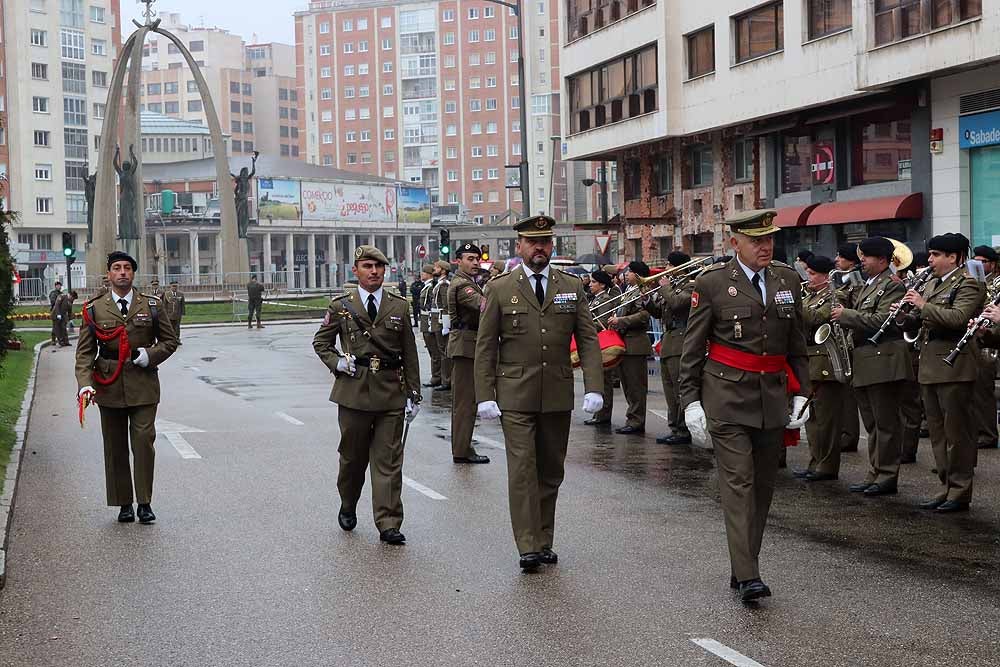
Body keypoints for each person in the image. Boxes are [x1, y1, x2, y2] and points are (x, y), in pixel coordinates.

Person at [679, 209, 810, 602]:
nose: (765, 247)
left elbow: (796, 343)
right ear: (735, 243)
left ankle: (743, 566)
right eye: (757, 241)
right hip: (727, 399)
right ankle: (749, 574)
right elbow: (692, 349)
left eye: (769, 239)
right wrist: (691, 403)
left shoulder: (788, 279)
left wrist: (803, 392)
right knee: (739, 484)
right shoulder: (714, 283)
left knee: (763, 490)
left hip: (772, 399)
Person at [475, 215, 604, 571]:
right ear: (519, 246)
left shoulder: (570, 285)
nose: (539, 249)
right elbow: (486, 346)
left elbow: (589, 339)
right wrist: (484, 394)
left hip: (557, 393)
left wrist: (594, 386)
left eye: (545, 242)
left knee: (550, 470)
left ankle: (544, 538)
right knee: (522, 469)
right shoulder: (500, 288)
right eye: (533, 243)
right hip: (515, 394)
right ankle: (528, 545)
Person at [312, 245, 421, 544]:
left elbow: (409, 352)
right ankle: (348, 502)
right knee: (352, 459)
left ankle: (388, 522)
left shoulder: (398, 305)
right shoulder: (340, 306)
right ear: (356, 271)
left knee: (388, 461)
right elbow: (321, 342)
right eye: (368, 266)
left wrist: (414, 393)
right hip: (354, 393)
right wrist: (336, 362)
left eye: (379, 267)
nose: (374, 271)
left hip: (390, 393)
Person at [75, 251, 179, 524]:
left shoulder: (152, 306)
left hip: (143, 384)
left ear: (133, 274)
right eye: (117, 268)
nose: (122, 273)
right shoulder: (94, 309)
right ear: (109, 275)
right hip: (108, 386)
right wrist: (85, 385)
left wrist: (150, 355)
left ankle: (144, 502)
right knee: (115, 445)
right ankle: (124, 503)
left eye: (127, 269)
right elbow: (85, 353)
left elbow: (169, 341)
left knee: (144, 442)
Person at [898, 234, 984, 512]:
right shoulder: (934, 282)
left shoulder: (969, 284)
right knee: (937, 433)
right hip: (930, 366)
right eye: (931, 254)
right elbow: (924, 322)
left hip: (955, 368)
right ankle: (945, 486)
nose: (930, 260)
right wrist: (904, 316)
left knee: (957, 433)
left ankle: (959, 491)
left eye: (936, 255)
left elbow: (958, 318)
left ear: (954, 257)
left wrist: (923, 305)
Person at [831, 237, 913, 498]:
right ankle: (875, 472)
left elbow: (882, 321)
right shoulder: (868, 284)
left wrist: (846, 315)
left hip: (884, 359)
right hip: (866, 360)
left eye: (865, 256)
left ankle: (887, 475)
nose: (861, 261)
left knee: (886, 423)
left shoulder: (892, 285)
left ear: (882, 260)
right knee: (873, 424)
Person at [796, 255, 845, 481]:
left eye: (813, 274)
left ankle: (827, 465)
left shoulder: (836, 295)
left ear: (826, 276)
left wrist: (795, 302)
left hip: (825, 361)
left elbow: (817, 318)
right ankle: (815, 461)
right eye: (808, 273)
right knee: (812, 418)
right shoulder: (810, 295)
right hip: (809, 360)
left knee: (827, 419)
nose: (809, 277)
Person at [447, 243, 491, 464]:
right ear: (458, 261)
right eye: (470, 259)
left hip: (468, 345)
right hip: (466, 347)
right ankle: (462, 450)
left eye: (477, 259)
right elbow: (484, 306)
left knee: (467, 401)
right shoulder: (463, 286)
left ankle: (463, 447)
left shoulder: (469, 283)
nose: (475, 263)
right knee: (465, 402)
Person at [645, 251, 694, 445]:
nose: (665, 270)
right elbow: (660, 312)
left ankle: (683, 430)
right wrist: (646, 300)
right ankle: (674, 426)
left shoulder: (691, 285)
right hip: (669, 341)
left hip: (681, 342)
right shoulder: (673, 287)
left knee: (679, 388)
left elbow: (677, 303)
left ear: (678, 267)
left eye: (669, 265)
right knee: (669, 389)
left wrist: (665, 288)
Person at [608, 260, 652, 434]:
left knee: (635, 386)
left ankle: (636, 420)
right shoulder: (628, 290)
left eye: (630, 272)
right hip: (625, 341)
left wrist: (621, 320)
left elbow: (644, 315)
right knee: (627, 384)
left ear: (638, 274)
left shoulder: (643, 290)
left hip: (636, 343)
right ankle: (632, 418)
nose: (626, 274)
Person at [834, 243, 863, 453]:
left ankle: (849, 435)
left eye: (840, 257)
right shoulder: (842, 277)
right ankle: (845, 433)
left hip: (852, 334)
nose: (837, 260)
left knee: (848, 393)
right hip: (847, 333)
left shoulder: (854, 279)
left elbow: (855, 304)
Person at [972, 245, 999, 450]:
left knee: (983, 390)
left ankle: (988, 433)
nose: (979, 265)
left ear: (992, 264)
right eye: (976, 261)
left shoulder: (995, 284)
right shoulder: (975, 282)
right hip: (981, 337)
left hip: (992, 344)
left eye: (983, 261)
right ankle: (980, 430)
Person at [584, 270, 617, 426]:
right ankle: (599, 414)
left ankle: (603, 414)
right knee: (599, 379)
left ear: (602, 284)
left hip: (602, 343)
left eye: (594, 282)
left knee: (604, 380)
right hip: (594, 343)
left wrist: (584, 325)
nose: (590, 284)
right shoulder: (595, 299)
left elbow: (602, 322)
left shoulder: (606, 300)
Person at [417, 265, 442, 388]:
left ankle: (437, 377)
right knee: (432, 352)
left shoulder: (430, 287)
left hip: (429, 321)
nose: (422, 274)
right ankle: (437, 375)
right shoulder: (427, 287)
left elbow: (429, 306)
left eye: (424, 272)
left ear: (429, 274)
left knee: (435, 352)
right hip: (426, 321)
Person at [431, 260, 453, 391]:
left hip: (441, 321)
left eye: (437, 267)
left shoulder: (444, 285)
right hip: (437, 320)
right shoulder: (440, 284)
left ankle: (447, 380)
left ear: (443, 270)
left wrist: (446, 324)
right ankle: (444, 379)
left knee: (444, 352)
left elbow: (445, 305)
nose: (434, 269)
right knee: (441, 351)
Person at [165, 280, 185, 344]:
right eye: (173, 286)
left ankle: (177, 339)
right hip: (169, 314)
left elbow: (182, 304)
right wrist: (164, 314)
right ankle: (171, 339)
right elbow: (164, 305)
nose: (175, 288)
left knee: (177, 327)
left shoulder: (180, 294)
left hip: (177, 314)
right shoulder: (167, 294)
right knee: (170, 327)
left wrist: (183, 313)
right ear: (170, 287)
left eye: (176, 286)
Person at [49, 281, 63, 345]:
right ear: (56, 286)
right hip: (54, 311)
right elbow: (53, 302)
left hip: (60, 311)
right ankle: (53, 340)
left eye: (60, 285)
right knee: (55, 326)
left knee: (60, 326)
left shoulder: (61, 293)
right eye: (58, 285)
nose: (59, 287)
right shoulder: (53, 293)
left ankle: (60, 339)